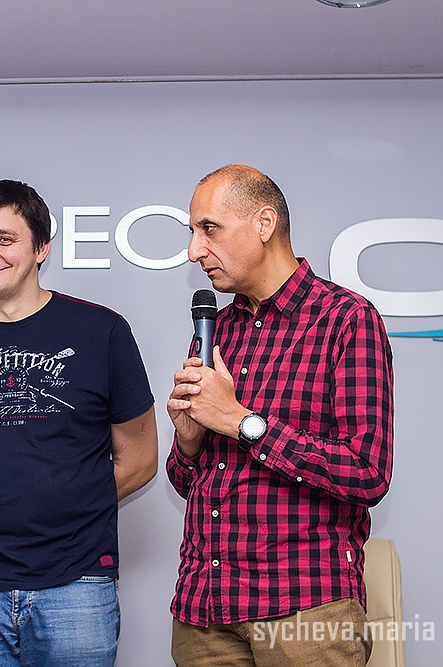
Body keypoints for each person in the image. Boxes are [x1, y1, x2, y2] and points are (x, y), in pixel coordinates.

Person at [0, 179, 158, 666]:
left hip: (77, 583)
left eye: (5, 239)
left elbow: (140, 460)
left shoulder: (102, 331)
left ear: (42, 248)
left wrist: (65, 512)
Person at [166, 165, 393, 666]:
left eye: (209, 229)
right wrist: (189, 441)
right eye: (193, 232)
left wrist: (243, 423)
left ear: (264, 223)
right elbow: (185, 481)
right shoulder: (216, 330)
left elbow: (367, 472)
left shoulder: (345, 319)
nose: (194, 251)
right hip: (204, 611)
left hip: (304, 609)